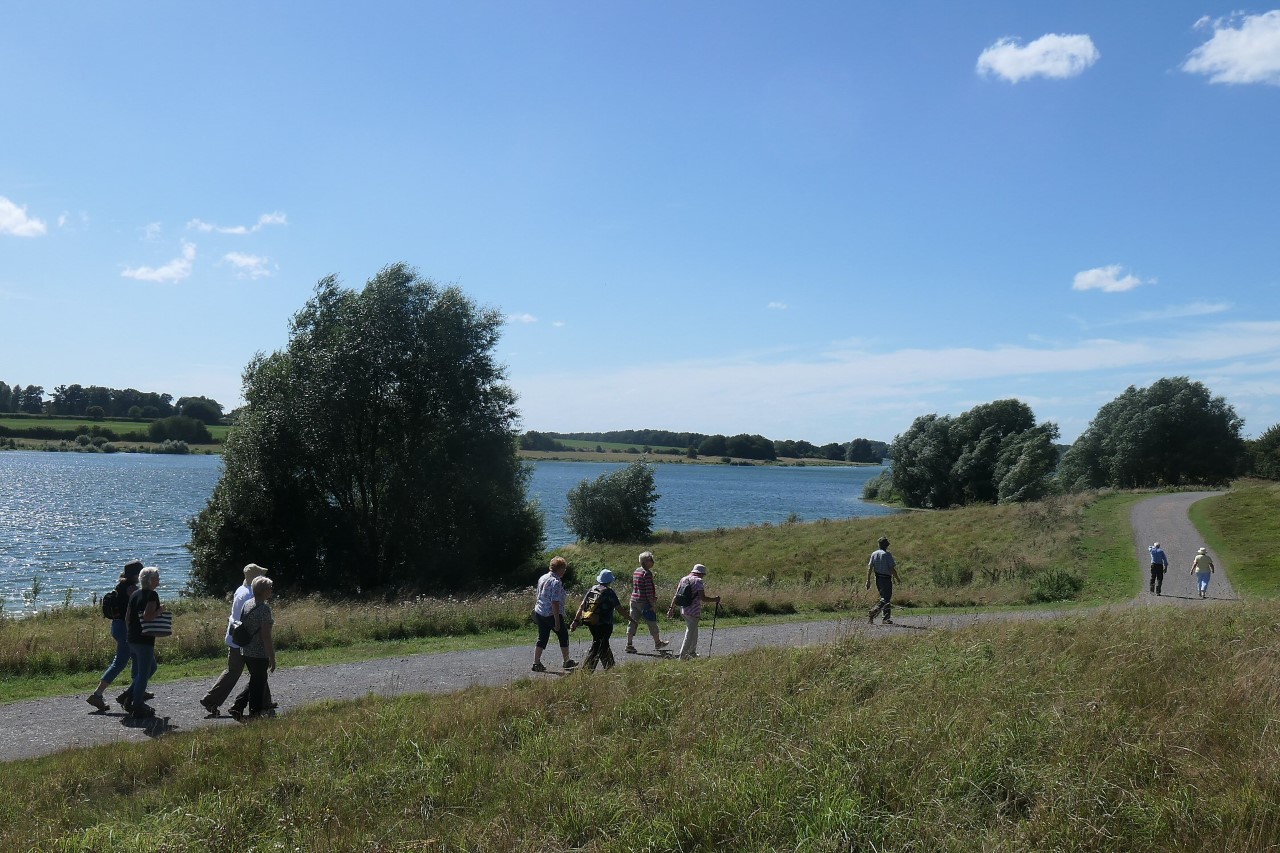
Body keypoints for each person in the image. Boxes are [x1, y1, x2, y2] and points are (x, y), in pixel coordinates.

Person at [201, 563, 273, 716]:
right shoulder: (251, 596)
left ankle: (265, 702)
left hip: (235, 636)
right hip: (246, 641)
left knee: (250, 672)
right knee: (253, 671)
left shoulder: (241, 590)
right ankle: (212, 700)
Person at [86, 559, 145, 712]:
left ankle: (138, 689)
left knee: (137, 658)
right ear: (136, 575)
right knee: (120, 662)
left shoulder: (120, 587)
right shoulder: (131, 589)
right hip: (125, 628)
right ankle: (97, 694)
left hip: (117, 626)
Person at [228, 576, 277, 721]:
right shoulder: (264, 609)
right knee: (259, 683)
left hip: (246, 649)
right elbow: (266, 636)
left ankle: (237, 707)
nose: (272, 590)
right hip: (258, 652)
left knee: (256, 680)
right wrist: (272, 657)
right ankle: (254, 713)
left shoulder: (248, 604)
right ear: (264, 591)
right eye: (270, 588)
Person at [124, 566, 166, 719]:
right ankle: (137, 704)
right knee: (143, 673)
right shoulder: (152, 595)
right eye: (157, 577)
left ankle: (128, 695)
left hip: (132, 638)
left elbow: (127, 618)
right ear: (151, 580)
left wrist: (130, 634)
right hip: (144, 639)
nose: (159, 579)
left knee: (151, 667)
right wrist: (160, 611)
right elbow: (148, 616)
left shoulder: (135, 594)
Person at [571, 569, 631, 671]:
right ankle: (588, 670)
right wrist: (631, 619)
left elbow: (582, 605)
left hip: (591, 622)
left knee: (601, 643)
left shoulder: (592, 589)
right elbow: (619, 609)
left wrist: (575, 621)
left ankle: (610, 668)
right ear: (610, 581)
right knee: (599, 645)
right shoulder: (609, 592)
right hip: (605, 624)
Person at [531, 556, 577, 672]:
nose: (565, 571)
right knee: (563, 635)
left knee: (542, 637)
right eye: (564, 569)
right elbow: (555, 602)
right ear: (560, 569)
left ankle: (536, 663)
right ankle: (566, 661)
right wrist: (557, 621)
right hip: (551, 614)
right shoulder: (556, 582)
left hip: (540, 611)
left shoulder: (543, 577)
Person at [667, 563, 720, 661]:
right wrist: (715, 599)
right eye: (703, 574)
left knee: (694, 631)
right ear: (701, 573)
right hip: (694, 610)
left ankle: (692, 653)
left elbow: (676, 595)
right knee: (690, 633)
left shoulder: (684, 579)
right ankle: (682, 656)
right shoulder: (698, 581)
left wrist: (671, 608)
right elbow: (703, 598)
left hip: (684, 609)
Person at [624, 551, 670, 655]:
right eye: (651, 560)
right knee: (651, 621)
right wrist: (653, 604)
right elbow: (648, 591)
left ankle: (629, 644)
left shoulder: (636, 571)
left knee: (632, 621)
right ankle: (658, 642)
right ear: (645, 562)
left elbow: (638, 587)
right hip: (644, 602)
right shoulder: (647, 573)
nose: (653, 562)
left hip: (634, 600)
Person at [866, 537, 901, 625]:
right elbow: (892, 568)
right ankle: (874, 613)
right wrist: (897, 578)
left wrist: (868, 580)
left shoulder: (874, 554)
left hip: (878, 578)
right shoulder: (887, 555)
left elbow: (870, 567)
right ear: (886, 545)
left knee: (884, 597)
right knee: (886, 598)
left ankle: (885, 618)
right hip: (886, 578)